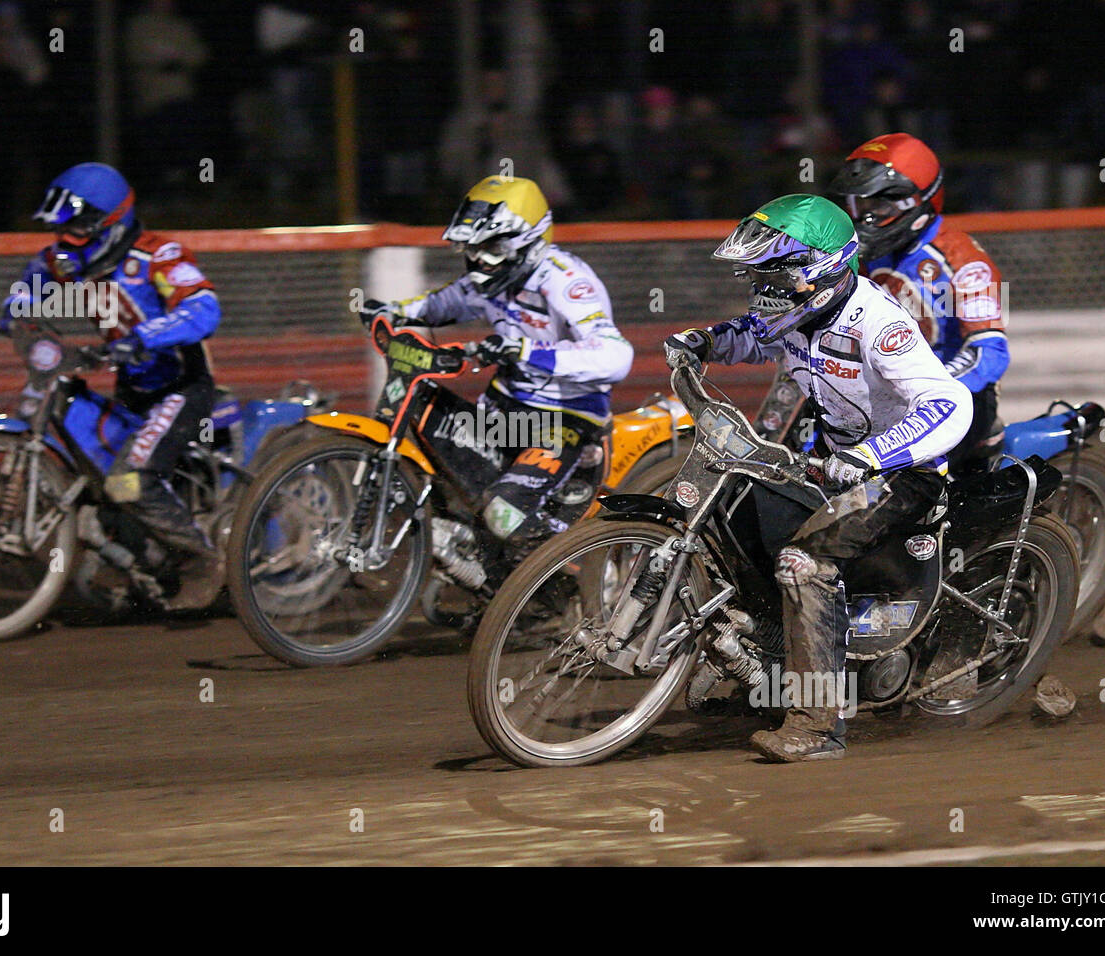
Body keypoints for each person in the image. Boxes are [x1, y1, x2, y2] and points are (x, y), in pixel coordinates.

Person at [665, 194, 972, 762]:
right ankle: (763, 658)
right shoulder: (797, 313)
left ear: (820, 271)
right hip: (829, 465)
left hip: (902, 475)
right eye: (756, 277)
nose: (762, 292)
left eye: (772, 277)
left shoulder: (880, 326)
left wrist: (873, 453)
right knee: (732, 507)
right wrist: (703, 342)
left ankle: (817, 725)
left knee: (804, 563)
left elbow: (950, 403)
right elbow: (751, 333)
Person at [364, 175, 633, 573]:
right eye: (472, 248)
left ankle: (565, 578)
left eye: (490, 248)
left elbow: (616, 355)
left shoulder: (565, 280)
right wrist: (395, 311)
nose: (477, 260)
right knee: (426, 421)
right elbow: (447, 302)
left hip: (564, 421)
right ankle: (479, 555)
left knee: (503, 515)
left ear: (529, 242)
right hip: (504, 413)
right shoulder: (490, 279)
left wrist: (528, 351)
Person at [0, 162, 223, 609]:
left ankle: (202, 563)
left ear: (111, 224)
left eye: (78, 229)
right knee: (99, 477)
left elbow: (205, 309)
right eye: (62, 229)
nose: (67, 240)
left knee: (129, 479)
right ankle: (141, 557)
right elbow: (22, 293)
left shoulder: (158, 255)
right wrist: (22, 320)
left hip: (181, 387)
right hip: (131, 389)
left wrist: (142, 338)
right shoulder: (68, 259)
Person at [830, 132, 1008, 470]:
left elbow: (990, 352)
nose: (864, 219)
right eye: (858, 206)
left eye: (878, 206)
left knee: (894, 486)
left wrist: (931, 384)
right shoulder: (861, 258)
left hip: (957, 397)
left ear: (918, 202)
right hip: (883, 393)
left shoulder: (964, 262)